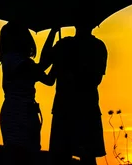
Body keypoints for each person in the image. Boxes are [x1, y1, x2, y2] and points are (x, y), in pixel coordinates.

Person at [39, 21, 108, 165]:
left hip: (68, 108)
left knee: (64, 157)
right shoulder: (98, 47)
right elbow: (97, 79)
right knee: (85, 157)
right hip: (85, 108)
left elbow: (43, 63)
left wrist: (53, 31)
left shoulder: (65, 45)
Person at [0, 22, 58, 165]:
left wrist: (54, 36)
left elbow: (48, 78)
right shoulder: (13, 60)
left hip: (24, 112)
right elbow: (41, 67)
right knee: (21, 155)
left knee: (26, 155)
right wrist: (54, 40)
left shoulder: (11, 59)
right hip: (17, 113)